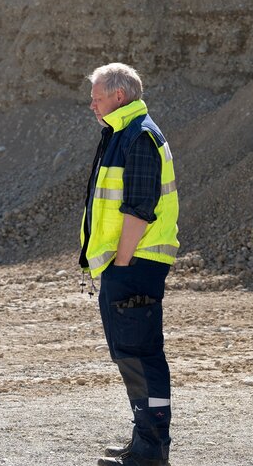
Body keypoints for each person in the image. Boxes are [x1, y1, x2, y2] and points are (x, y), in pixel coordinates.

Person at [80, 63, 180, 466]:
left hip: (135, 263)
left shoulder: (138, 136)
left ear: (118, 96)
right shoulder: (123, 133)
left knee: (141, 355)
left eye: (97, 97)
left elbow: (140, 208)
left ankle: (151, 450)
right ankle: (145, 441)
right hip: (128, 263)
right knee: (131, 355)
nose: (92, 105)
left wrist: (120, 263)